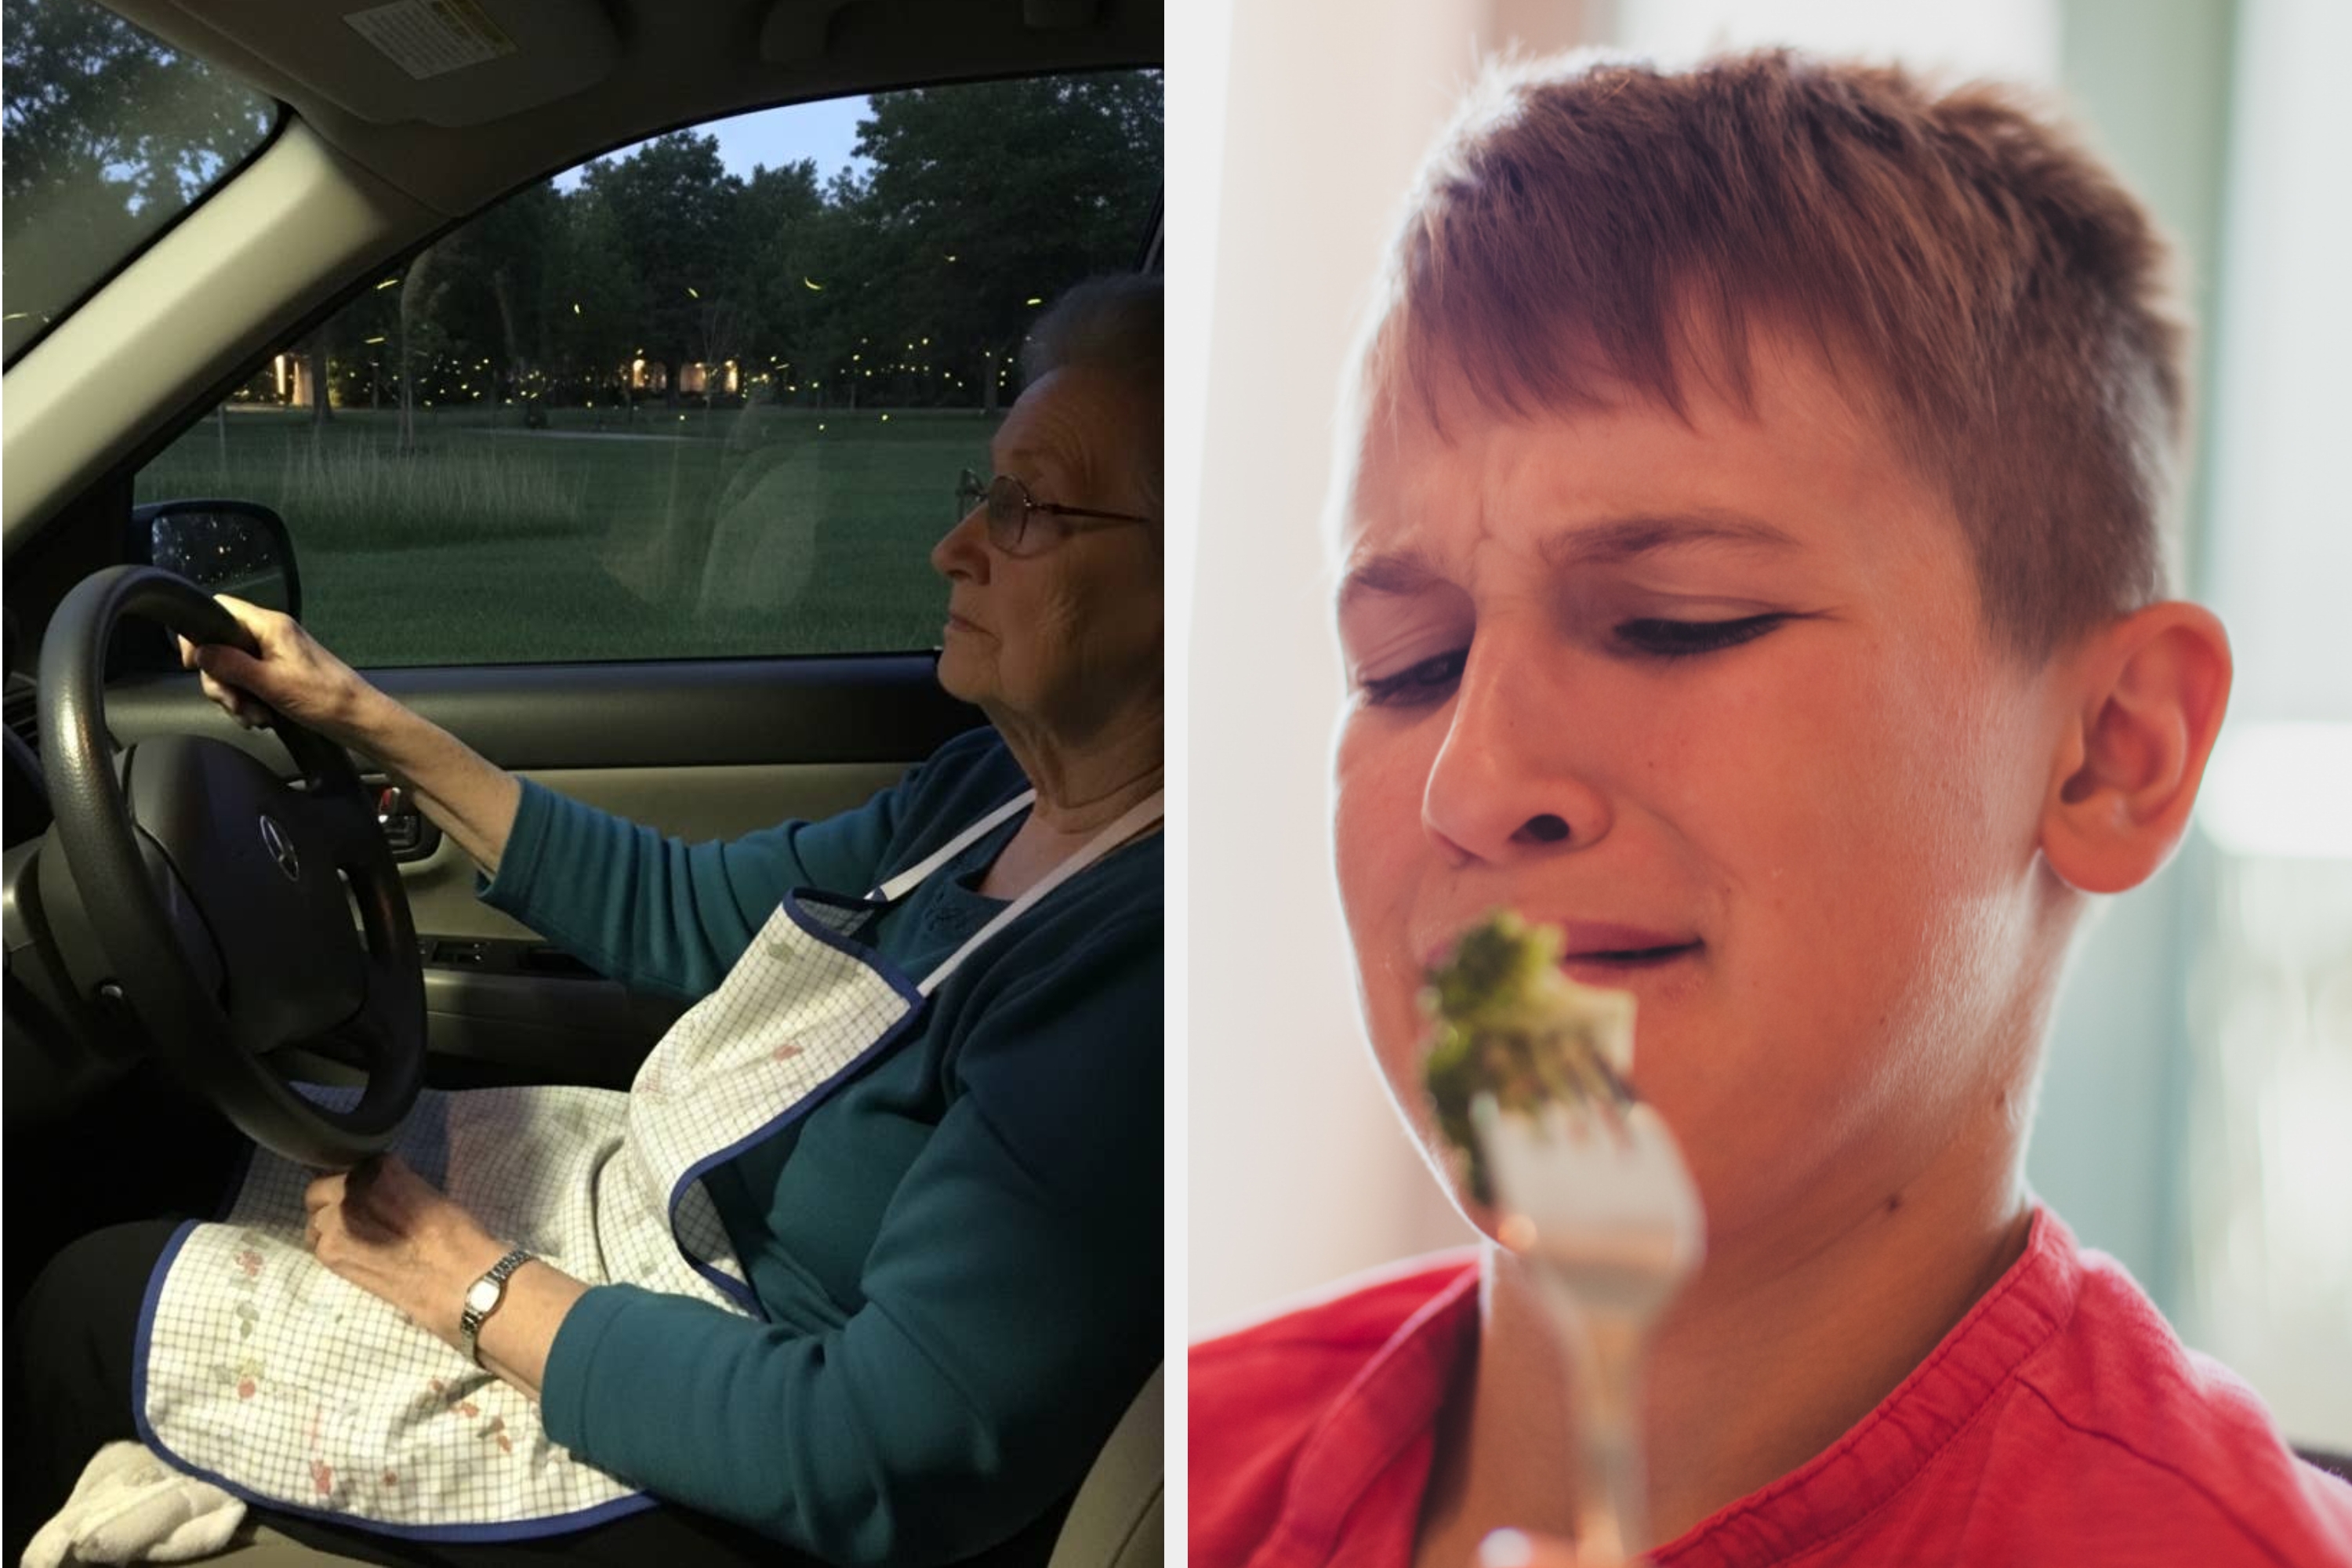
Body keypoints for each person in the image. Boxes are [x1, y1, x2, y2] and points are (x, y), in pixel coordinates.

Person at [1186, 53, 2352, 1568]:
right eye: (1408, 668)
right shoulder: (1203, 1473)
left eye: (1681, 623)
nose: (1472, 785)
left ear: (2110, 754)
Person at [15, 274, 1164, 1568]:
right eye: (981, 493)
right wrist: (353, 710)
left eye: (1027, 510)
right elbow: (687, 909)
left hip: (746, 1417)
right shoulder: (984, 791)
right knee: (174, 1141)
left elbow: (886, 1450)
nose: (953, 548)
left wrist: (470, 1281)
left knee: (81, 1305)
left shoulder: (1144, 970)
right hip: (644, 1239)